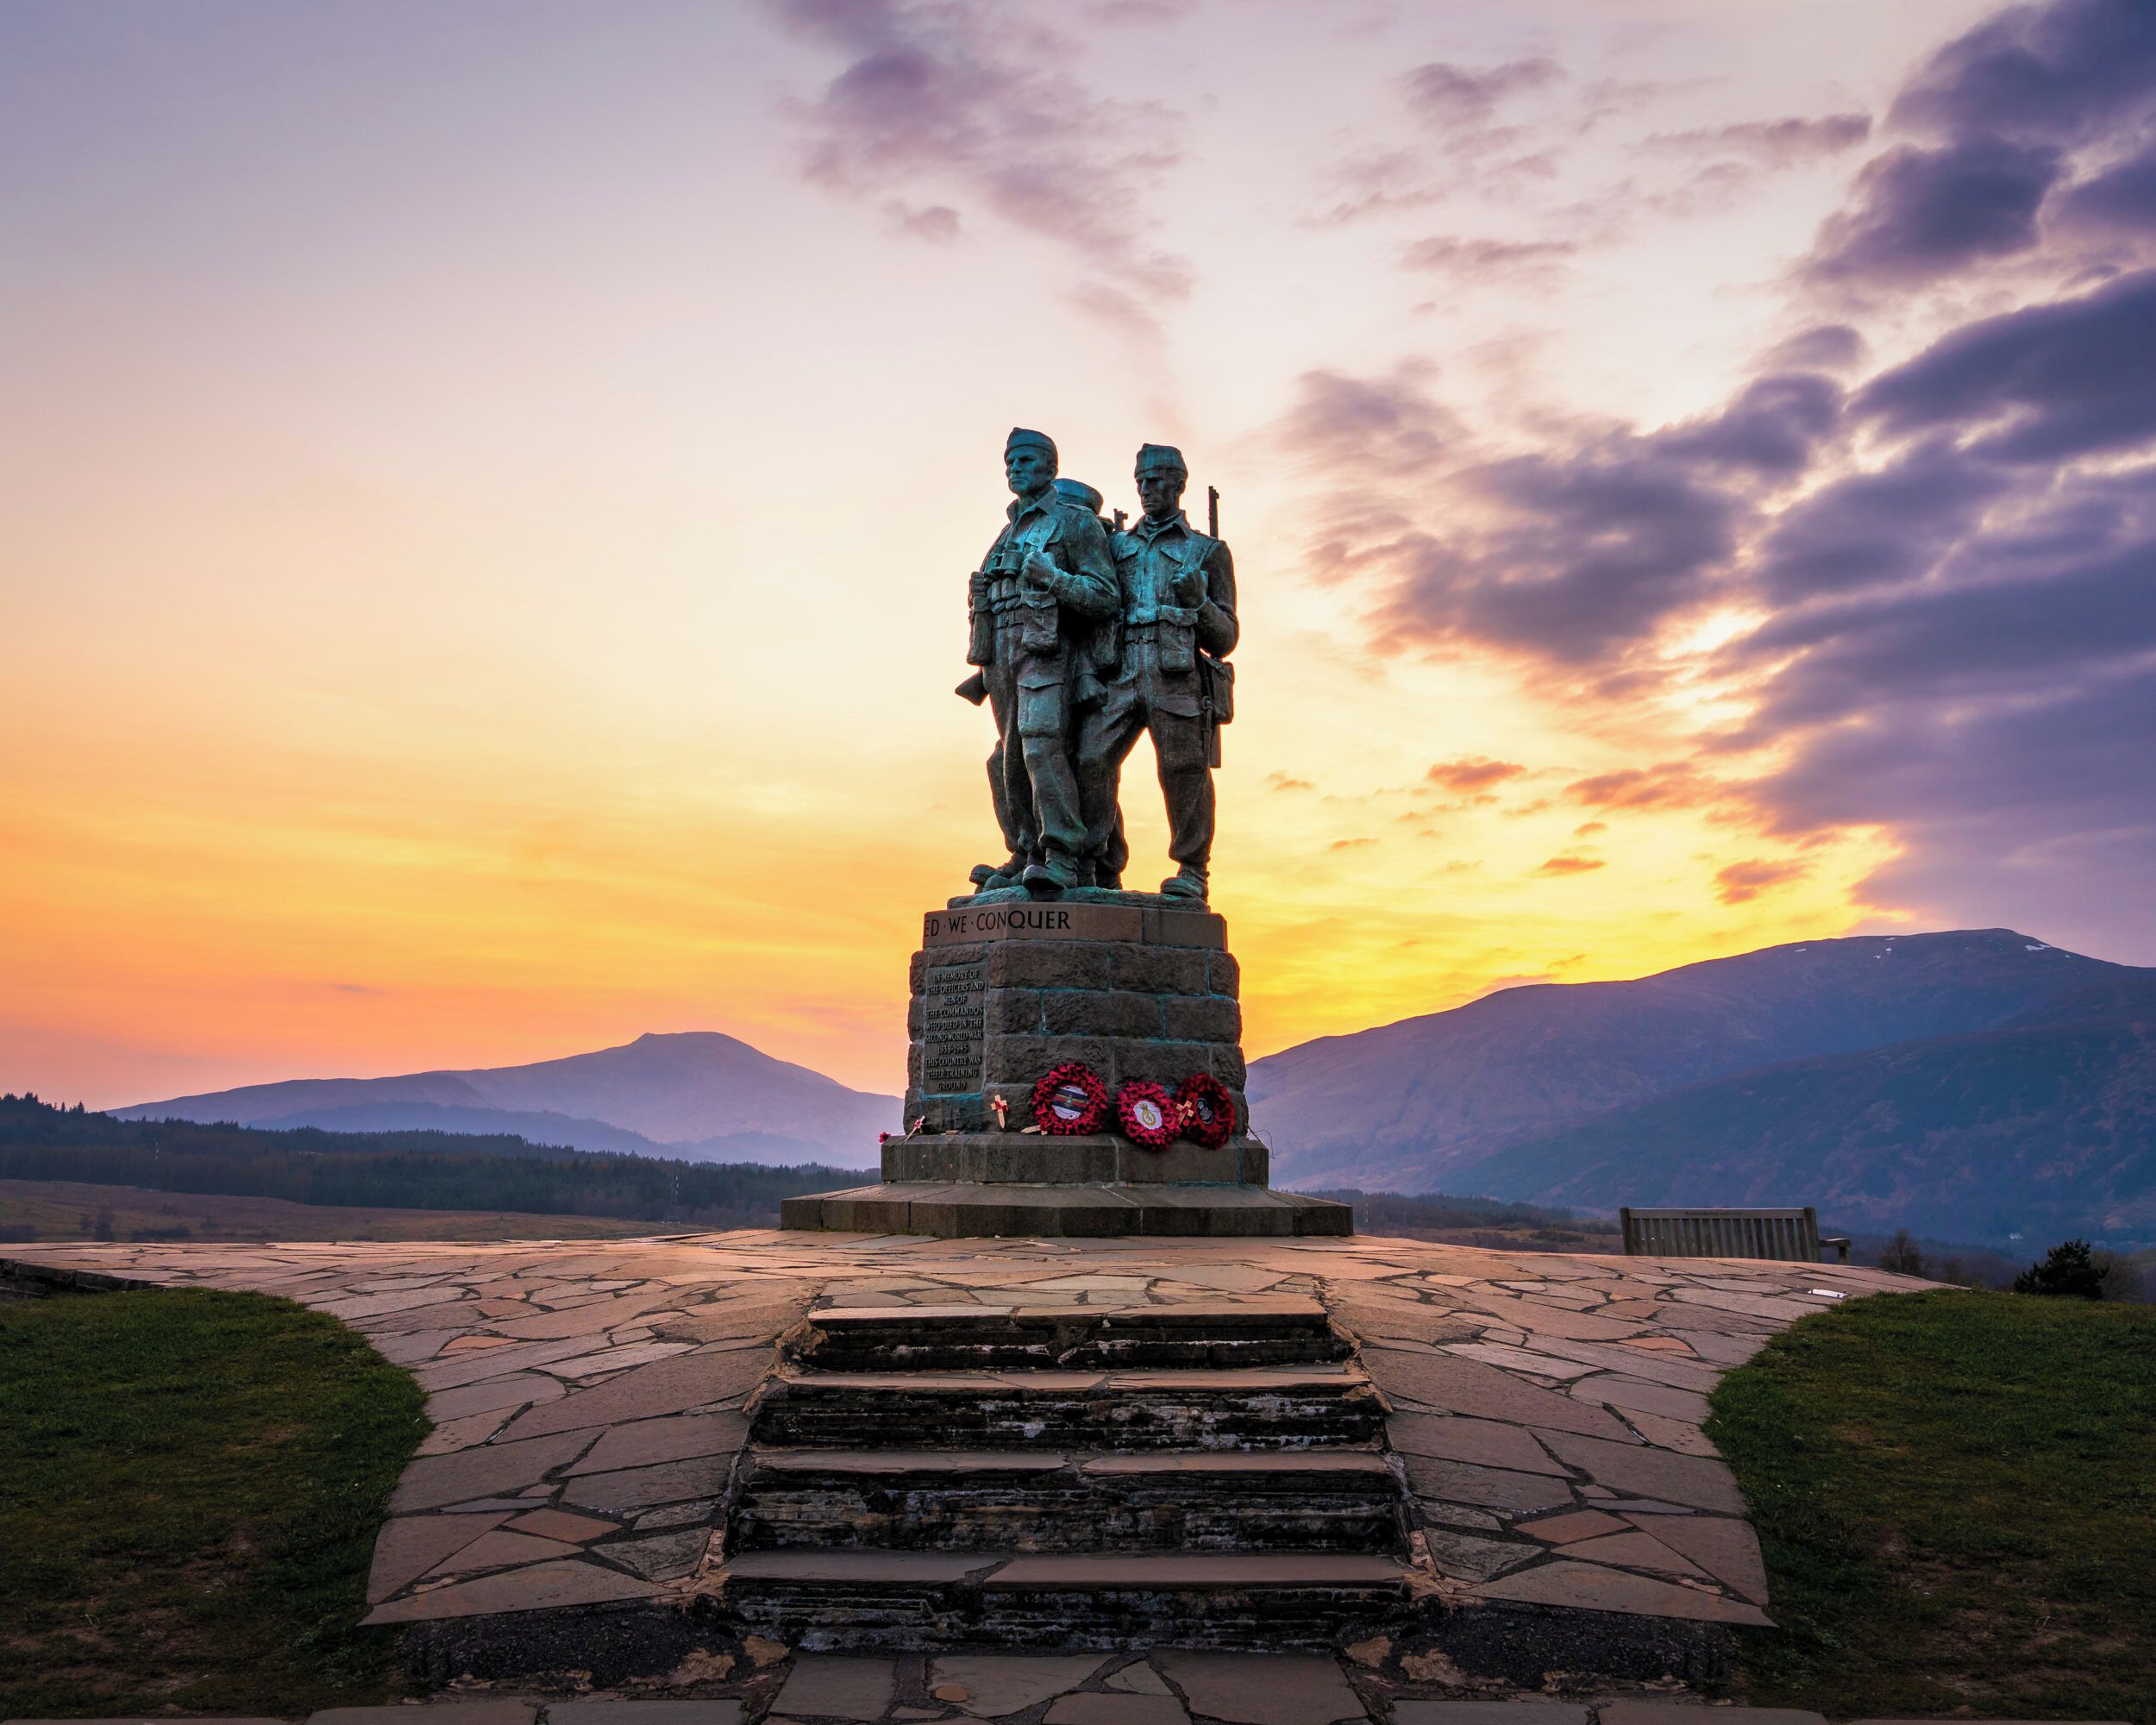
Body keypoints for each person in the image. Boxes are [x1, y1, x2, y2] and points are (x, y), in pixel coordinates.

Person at [1076, 443, 1237, 900]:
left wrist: (1200, 603)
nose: (1146, 489)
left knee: (1184, 770)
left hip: (1177, 675)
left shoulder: (1208, 551)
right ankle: (1100, 866)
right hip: (1120, 671)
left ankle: (1192, 870)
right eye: (1140, 481)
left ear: (1179, 484)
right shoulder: (1115, 546)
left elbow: (1226, 638)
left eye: (1155, 480)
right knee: (1090, 760)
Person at [967, 429, 1119, 893]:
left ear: (1051, 468)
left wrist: (1054, 578)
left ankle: (1062, 855)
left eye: (1026, 460)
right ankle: (1026, 851)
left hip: (1048, 651)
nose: (1015, 468)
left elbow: (1105, 596)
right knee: (1009, 758)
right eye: (1010, 461)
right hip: (1001, 656)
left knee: (1040, 746)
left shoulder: (1075, 523)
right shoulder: (1008, 531)